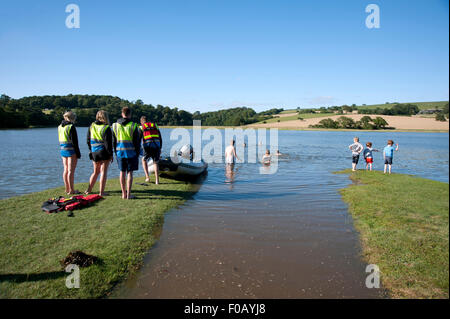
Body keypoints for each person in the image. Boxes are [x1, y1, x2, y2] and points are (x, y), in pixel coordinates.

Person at [112, 107, 140, 199]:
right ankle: (128, 194)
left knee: (122, 172)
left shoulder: (115, 125)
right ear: (130, 114)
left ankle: (123, 194)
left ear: (122, 114)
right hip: (131, 152)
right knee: (130, 173)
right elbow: (137, 142)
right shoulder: (134, 125)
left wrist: (115, 152)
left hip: (119, 152)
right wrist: (137, 152)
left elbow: (113, 141)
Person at [85, 110, 113, 196]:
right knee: (103, 172)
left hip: (94, 152)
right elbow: (108, 143)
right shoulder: (106, 128)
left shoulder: (91, 126)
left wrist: (91, 150)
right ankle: (101, 192)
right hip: (103, 152)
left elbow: (88, 140)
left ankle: (88, 190)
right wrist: (111, 155)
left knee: (95, 172)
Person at [58, 111, 81, 195]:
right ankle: (71, 190)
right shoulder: (71, 126)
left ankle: (67, 189)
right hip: (71, 150)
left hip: (63, 149)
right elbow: (75, 142)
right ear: (72, 118)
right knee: (71, 171)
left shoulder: (59, 126)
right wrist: (78, 153)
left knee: (66, 170)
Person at [140, 116, 162, 184]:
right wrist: (160, 147)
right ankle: (157, 181)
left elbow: (139, 138)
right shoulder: (155, 125)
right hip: (156, 146)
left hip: (148, 146)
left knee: (143, 160)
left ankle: (147, 177)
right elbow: (160, 137)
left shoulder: (141, 127)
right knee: (155, 162)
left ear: (141, 122)